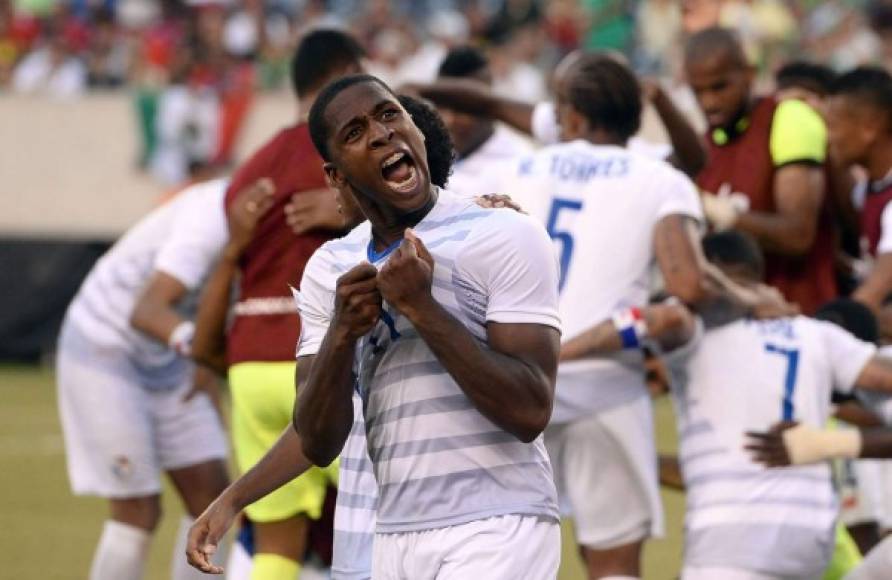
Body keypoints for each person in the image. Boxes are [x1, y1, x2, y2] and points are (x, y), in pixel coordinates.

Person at [186, 95, 509, 580]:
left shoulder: (475, 250)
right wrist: (232, 499)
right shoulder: (332, 271)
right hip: (369, 537)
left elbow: (525, 399)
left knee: (280, 546)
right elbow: (311, 432)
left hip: (457, 529)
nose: (327, 190)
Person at [495, 53, 788, 580]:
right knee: (613, 561)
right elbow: (687, 284)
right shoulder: (658, 177)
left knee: (499, 557)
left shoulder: (519, 167)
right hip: (604, 389)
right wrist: (753, 298)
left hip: (512, 382)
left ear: (575, 116)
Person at [292, 73, 563, 579]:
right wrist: (341, 334)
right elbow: (317, 440)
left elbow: (530, 409)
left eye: (389, 114)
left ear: (415, 127)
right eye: (355, 133)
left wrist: (423, 307)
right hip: (392, 533)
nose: (379, 134)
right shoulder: (330, 268)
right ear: (336, 176)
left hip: (498, 521)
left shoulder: (503, 233)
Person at [563, 231, 892, 580]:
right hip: (812, 536)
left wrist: (558, 354)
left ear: (707, 270)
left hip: (732, 535)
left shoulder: (695, 330)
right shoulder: (814, 333)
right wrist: (836, 443)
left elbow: (657, 320)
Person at [200, 27, 366, 580]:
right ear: (346, 69)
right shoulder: (344, 148)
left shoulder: (250, 167)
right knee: (380, 521)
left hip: (249, 363)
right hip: (320, 361)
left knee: (276, 546)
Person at [55, 177, 254, 580]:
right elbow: (147, 311)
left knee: (213, 502)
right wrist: (204, 355)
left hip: (173, 357)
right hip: (105, 350)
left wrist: (206, 367)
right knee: (138, 508)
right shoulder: (210, 216)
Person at [686, 27, 836, 315]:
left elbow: (798, 235)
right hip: (737, 323)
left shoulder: (789, 118)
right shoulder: (708, 142)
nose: (709, 103)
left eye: (719, 87)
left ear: (750, 74)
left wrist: (715, 209)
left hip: (799, 315)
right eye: (698, 91)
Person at [411, 48, 707, 177]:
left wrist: (414, 87)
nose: (553, 112)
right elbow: (492, 104)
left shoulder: (528, 166)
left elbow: (693, 160)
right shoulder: (563, 134)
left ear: (578, 115)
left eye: (561, 101)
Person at [825, 68, 892, 325]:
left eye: (832, 125)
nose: (828, 137)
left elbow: (868, 299)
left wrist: (815, 332)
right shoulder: (867, 191)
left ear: (869, 128)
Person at [433, 45, 533, 198]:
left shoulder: (520, 165)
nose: (450, 120)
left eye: (461, 108)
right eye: (442, 107)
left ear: (487, 102)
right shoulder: (431, 157)